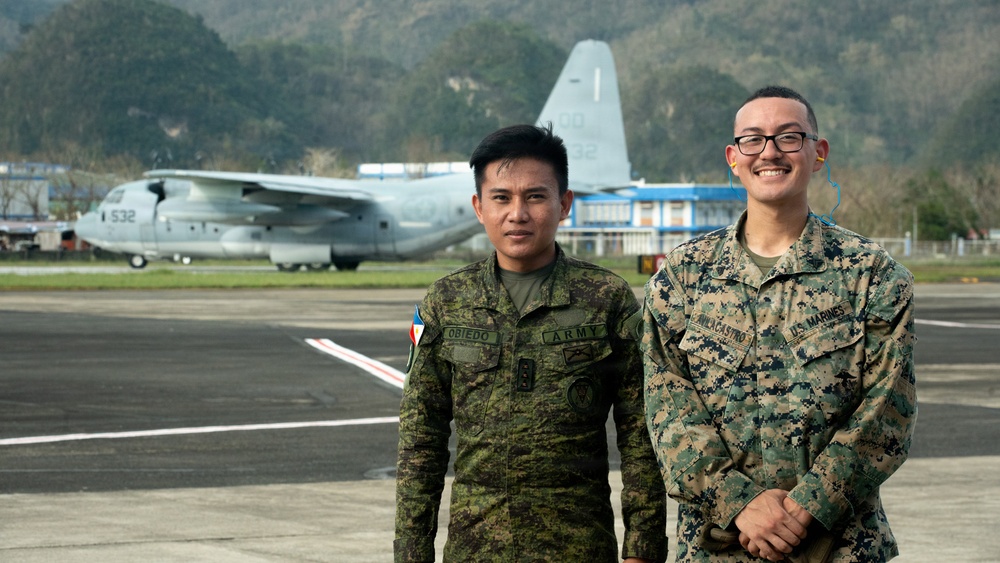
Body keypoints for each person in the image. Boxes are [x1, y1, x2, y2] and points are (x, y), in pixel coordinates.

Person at [640, 86, 917, 562]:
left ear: (818, 153)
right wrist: (740, 503)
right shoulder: (684, 276)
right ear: (733, 157)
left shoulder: (871, 272)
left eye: (789, 137)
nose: (769, 152)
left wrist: (807, 507)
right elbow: (667, 409)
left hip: (839, 548)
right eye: (753, 140)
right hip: (718, 547)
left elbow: (888, 408)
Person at [395, 124, 668, 562]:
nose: (517, 213)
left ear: (564, 205)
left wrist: (643, 547)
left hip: (579, 547)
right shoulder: (446, 302)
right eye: (501, 198)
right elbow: (420, 440)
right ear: (479, 207)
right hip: (475, 548)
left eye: (535, 197)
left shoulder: (606, 299)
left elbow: (641, 434)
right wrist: (411, 552)